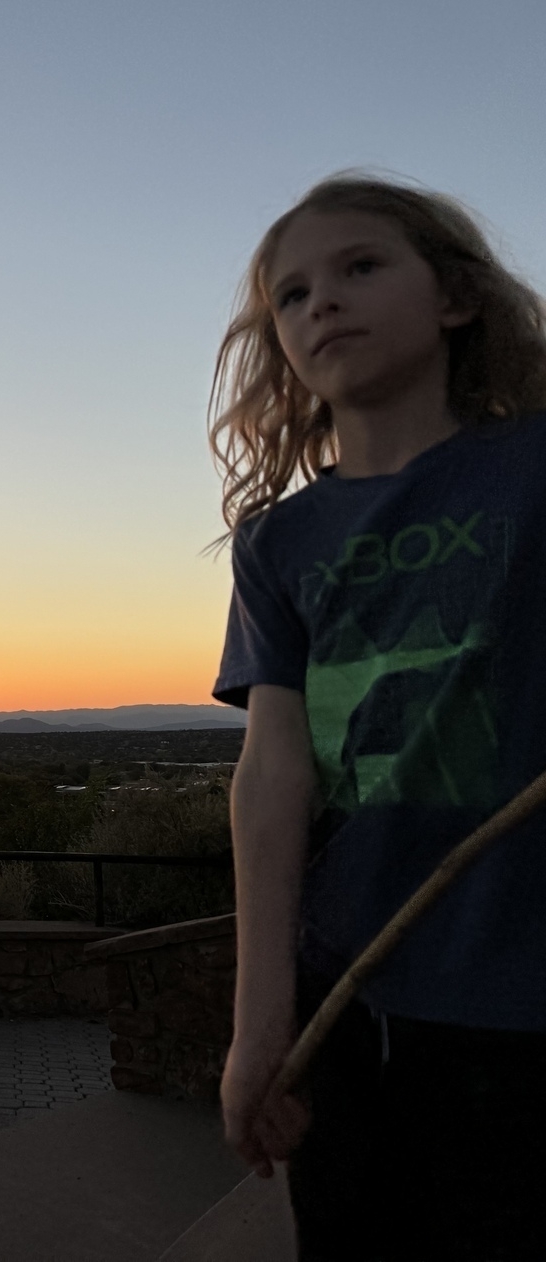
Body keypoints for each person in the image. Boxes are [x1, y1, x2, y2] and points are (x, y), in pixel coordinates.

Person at [210, 175, 546, 1259]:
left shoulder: (533, 470)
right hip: (344, 997)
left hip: (522, 986)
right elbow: (273, 777)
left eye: (360, 268)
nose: (323, 305)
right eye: (292, 296)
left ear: (454, 298)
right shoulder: (280, 543)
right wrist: (260, 1027)